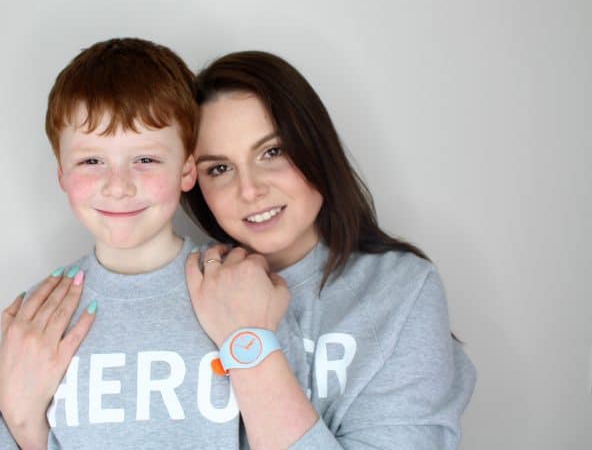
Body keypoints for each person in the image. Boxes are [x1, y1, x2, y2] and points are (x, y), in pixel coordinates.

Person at [181, 50, 477, 449]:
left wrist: (247, 341)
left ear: (315, 147)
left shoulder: (401, 290)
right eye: (219, 169)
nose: (249, 190)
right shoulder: (186, 283)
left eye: (272, 152)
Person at [0, 38, 244, 449]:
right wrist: (23, 421)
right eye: (91, 161)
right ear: (62, 174)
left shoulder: (238, 285)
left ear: (187, 170)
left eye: (145, 159)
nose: (118, 186)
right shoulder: (42, 316)